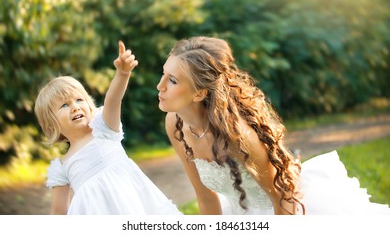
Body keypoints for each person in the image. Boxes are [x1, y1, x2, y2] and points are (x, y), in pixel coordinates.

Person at [157, 36, 390, 215]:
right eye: (163, 74)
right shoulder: (175, 123)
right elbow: (206, 198)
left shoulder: (237, 136)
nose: (160, 86)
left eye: (173, 80)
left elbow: (283, 199)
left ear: (199, 94)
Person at [35, 41, 181, 215]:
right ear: (52, 124)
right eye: (64, 106)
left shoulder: (104, 130)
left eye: (79, 100)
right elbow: (58, 212)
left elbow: (113, 100)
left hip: (134, 207)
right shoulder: (62, 167)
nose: (75, 107)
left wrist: (122, 73)